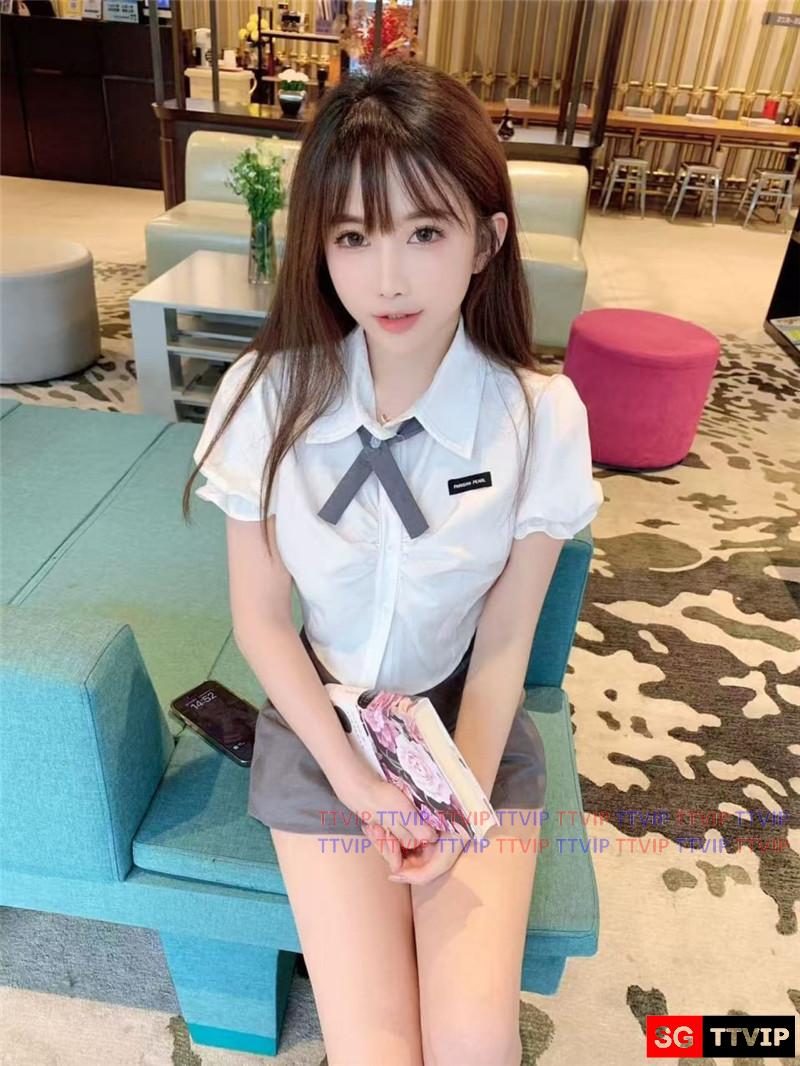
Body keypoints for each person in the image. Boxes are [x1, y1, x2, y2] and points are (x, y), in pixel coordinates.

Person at [183, 58, 603, 1066]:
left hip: (465, 724)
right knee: (375, 1047)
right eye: (352, 236)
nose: (387, 278)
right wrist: (357, 781)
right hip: (321, 729)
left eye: (424, 232)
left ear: (485, 240)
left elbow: (504, 640)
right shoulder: (263, 394)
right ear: (318, 245)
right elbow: (262, 621)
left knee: (473, 1043)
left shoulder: (540, 417)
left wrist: (454, 799)